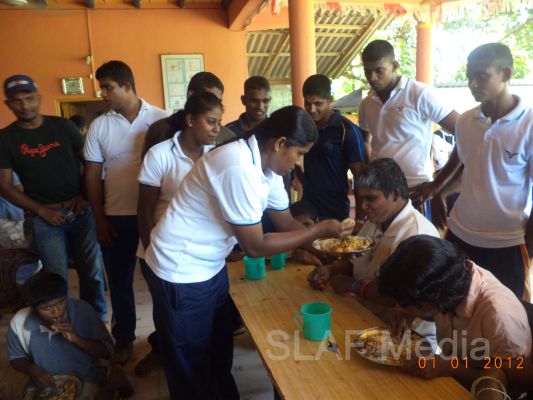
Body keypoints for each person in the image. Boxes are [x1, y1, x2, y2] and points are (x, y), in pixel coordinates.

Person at [141, 106, 354, 399]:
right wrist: (318, 230)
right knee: (192, 367)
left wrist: (330, 251)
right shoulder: (236, 164)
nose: (299, 163)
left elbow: (287, 224)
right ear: (280, 143)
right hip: (180, 270)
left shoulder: (268, 171)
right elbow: (255, 245)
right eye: (299, 153)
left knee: (218, 354)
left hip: (210, 265)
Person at [412, 43, 533, 300]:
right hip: (461, 233)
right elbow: (469, 166)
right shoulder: (466, 121)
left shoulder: (528, 125)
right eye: (469, 76)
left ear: (505, 74)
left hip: (507, 241)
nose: (472, 84)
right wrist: (439, 191)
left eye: (481, 76)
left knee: (508, 312)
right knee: (453, 304)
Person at [0, 74, 106, 318]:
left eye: (29, 98)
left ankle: (96, 322)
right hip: (44, 220)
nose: (25, 105)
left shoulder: (63, 127)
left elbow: (90, 164)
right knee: (56, 279)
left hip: (81, 211)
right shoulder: (5, 139)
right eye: (17, 100)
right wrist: (41, 211)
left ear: (38, 98)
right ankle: (64, 326)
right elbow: (4, 186)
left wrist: (84, 196)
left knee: (92, 273)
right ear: (8, 104)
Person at [83, 61, 169, 364]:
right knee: (119, 282)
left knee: (159, 282)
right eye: (102, 88)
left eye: (108, 87)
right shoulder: (99, 126)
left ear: (127, 86)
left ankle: (162, 342)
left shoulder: (161, 118)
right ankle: (124, 339)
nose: (103, 94)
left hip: (155, 217)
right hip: (115, 216)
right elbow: (92, 174)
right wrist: (99, 218)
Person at [134, 92, 223, 377]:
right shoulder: (160, 155)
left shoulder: (216, 156)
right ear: (190, 119)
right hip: (162, 253)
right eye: (211, 121)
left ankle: (196, 373)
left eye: (219, 122)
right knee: (170, 321)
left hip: (199, 254)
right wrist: (152, 252)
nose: (217, 128)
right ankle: (169, 361)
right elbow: (144, 210)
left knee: (196, 328)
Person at [377, 235, 531, 385]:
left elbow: (514, 381)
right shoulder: (451, 276)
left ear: (431, 300)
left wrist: (451, 368)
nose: (400, 308)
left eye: (404, 304)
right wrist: (408, 309)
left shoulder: (499, 318)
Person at [358, 40, 459, 223]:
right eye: (367, 71)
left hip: (416, 190)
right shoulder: (366, 104)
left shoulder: (419, 94)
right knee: (383, 242)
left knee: (418, 241)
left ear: (394, 65)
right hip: (381, 192)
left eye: (379, 71)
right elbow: (365, 140)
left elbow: (463, 133)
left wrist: (438, 185)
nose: (372, 78)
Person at [308, 158, 439, 293]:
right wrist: (331, 270)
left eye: (370, 198)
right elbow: (358, 264)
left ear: (395, 194)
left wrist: (353, 286)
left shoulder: (416, 235)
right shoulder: (376, 220)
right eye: (362, 199)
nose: (363, 206)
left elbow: (400, 295)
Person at [7, 272, 134, 400]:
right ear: (32, 307)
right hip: (45, 379)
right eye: (47, 307)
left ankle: (115, 377)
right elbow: (16, 358)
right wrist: (31, 368)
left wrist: (76, 338)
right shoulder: (20, 321)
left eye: (61, 302)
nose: (57, 311)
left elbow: (108, 352)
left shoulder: (83, 310)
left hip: (86, 373)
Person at [300, 74, 365, 221]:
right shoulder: (302, 127)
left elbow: (360, 177)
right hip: (307, 210)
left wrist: (360, 220)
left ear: (330, 100)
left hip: (336, 212)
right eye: (307, 103)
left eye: (318, 104)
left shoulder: (346, 130)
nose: (312, 109)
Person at [143, 71, 234, 153]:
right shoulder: (160, 131)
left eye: (218, 101)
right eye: (209, 98)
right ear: (190, 95)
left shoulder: (226, 137)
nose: (215, 105)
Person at [287, 200, 322, 267]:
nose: (302, 230)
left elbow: (334, 272)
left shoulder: (325, 246)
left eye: (306, 224)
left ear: (316, 222)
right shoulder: (288, 241)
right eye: (296, 225)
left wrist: (314, 261)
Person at [0, 172, 25, 249]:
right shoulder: (8, 173)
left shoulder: (8, 173)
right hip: (13, 214)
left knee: (10, 248)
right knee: (16, 248)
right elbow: (21, 190)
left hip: (9, 215)